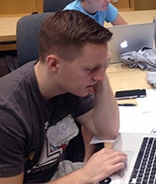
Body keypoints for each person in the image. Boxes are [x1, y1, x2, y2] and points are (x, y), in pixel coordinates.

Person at [0, 10, 127, 183]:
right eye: (90, 69)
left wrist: (100, 73)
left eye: (102, 66)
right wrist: (84, 175)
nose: (98, 77)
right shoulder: (8, 114)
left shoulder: (69, 85)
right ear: (54, 64)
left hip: (55, 173)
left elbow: (107, 131)